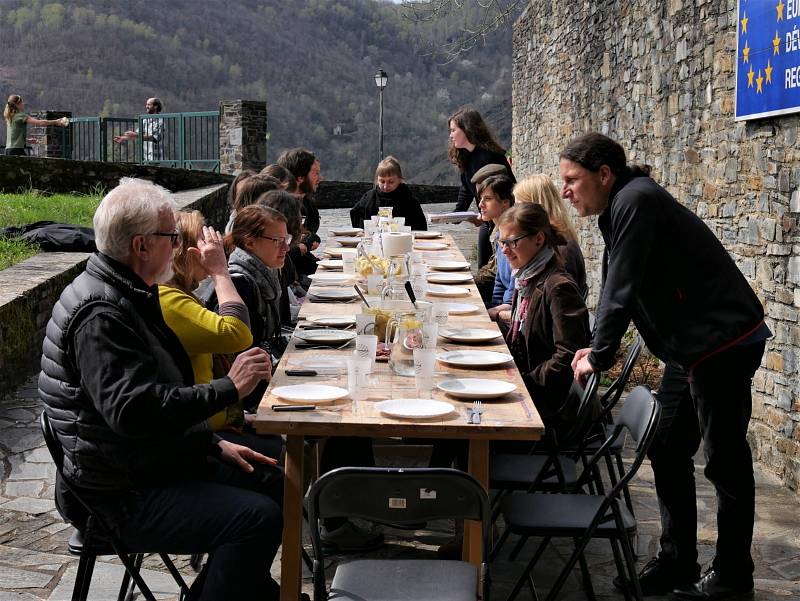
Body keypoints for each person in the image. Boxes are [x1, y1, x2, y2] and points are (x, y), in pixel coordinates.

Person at [38, 178, 285, 600]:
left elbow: (149, 403)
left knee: (276, 480)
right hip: (116, 493)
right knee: (256, 519)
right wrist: (230, 388)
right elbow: (135, 412)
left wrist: (208, 443)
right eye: (171, 237)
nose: (178, 246)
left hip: (139, 461)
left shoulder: (130, 291)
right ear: (141, 245)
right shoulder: (102, 313)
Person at [563, 133, 769, 600]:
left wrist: (598, 356)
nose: (565, 191)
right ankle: (678, 559)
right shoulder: (621, 207)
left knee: (725, 462)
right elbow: (616, 289)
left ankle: (733, 576)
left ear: (604, 174)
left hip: (722, 343)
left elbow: (621, 288)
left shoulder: (636, 201)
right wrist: (595, 347)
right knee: (668, 446)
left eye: (572, 180)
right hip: (690, 348)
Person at [159, 210, 283, 459]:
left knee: (283, 448)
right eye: (204, 245)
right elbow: (237, 334)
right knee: (283, 459)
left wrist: (237, 415)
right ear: (186, 253)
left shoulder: (180, 293)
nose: (212, 252)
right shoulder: (169, 299)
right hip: (198, 431)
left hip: (215, 419)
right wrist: (219, 272)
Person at [497, 203, 590, 433]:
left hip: (549, 410)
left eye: (512, 242)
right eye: (502, 242)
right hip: (532, 394)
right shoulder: (528, 277)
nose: (505, 250)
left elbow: (568, 357)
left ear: (538, 239)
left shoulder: (558, 287)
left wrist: (523, 383)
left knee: (468, 423)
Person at [490, 175, 588, 325]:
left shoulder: (559, 250)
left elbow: (551, 320)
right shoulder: (546, 245)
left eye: (520, 206)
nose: (515, 211)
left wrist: (499, 315)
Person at [223, 205, 291, 409]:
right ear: (250, 242)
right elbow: (243, 352)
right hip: (249, 395)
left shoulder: (263, 273)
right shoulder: (240, 283)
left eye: (286, 240)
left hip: (264, 373)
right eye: (278, 241)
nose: (286, 248)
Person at [448, 107, 514, 268]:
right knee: (484, 267)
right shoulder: (465, 155)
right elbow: (466, 187)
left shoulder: (490, 156)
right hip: (488, 220)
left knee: (496, 269)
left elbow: (504, 192)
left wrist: (484, 214)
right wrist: (457, 214)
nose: (450, 135)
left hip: (504, 220)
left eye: (453, 130)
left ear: (466, 129)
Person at [349, 156, 427, 230]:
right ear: (377, 180)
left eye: (391, 182)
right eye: (382, 181)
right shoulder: (369, 198)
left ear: (399, 180)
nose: (385, 186)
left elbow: (420, 229)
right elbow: (355, 214)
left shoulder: (409, 201)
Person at [277, 148, 322, 276]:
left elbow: (310, 235)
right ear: (300, 177)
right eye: (316, 173)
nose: (320, 178)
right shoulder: (280, 207)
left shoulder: (307, 202)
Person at [473, 174, 515, 304]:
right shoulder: (498, 234)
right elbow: (497, 277)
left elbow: (513, 285)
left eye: (488, 199)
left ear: (505, 202)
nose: (480, 204)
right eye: (481, 199)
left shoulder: (514, 237)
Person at [113, 97, 165, 162]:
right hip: (145, 157)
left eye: (149, 104)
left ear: (155, 106)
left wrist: (136, 135)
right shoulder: (145, 120)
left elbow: (155, 138)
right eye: (146, 104)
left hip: (155, 157)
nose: (146, 106)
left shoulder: (160, 121)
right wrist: (123, 138)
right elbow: (137, 135)